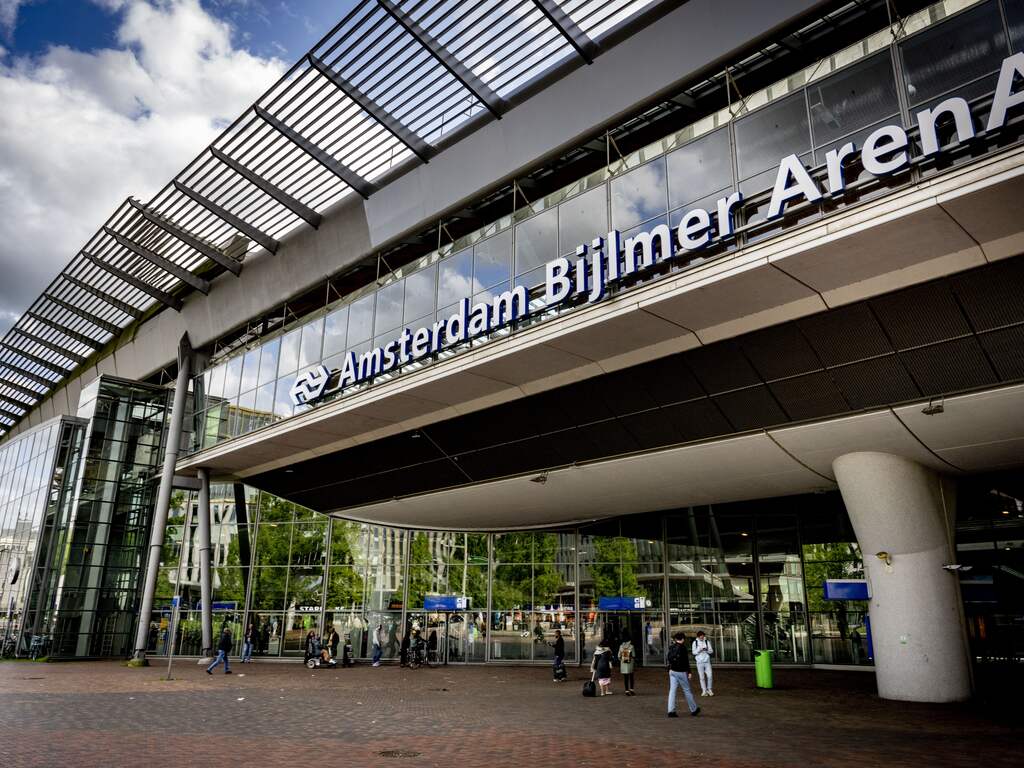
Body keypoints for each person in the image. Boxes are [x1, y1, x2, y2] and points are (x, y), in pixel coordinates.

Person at [666, 632, 699, 717]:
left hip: (672, 671)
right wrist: (689, 672)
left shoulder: (672, 647)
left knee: (672, 691)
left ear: (675, 639)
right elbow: (686, 662)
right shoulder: (683, 648)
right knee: (687, 690)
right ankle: (694, 709)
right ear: (683, 639)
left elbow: (669, 658)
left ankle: (671, 711)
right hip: (681, 672)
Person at [691, 630, 714, 696]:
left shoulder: (707, 642)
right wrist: (699, 650)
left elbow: (711, 651)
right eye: (701, 637)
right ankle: (704, 690)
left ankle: (709, 689)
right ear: (698, 637)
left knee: (710, 676)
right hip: (699, 662)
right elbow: (693, 652)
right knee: (702, 677)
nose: (702, 638)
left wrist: (706, 650)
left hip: (707, 661)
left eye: (703, 637)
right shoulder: (695, 642)